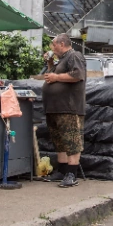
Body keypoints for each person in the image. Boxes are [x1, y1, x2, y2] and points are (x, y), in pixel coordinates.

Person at [36, 35, 88, 188]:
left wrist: (56, 77)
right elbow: (54, 75)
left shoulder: (75, 56)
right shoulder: (62, 60)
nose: (52, 48)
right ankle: (63, 170)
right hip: (55, 107)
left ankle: (72, 174)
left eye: (53, 45)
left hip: (69, 107)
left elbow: (78, 75)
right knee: (59, 140)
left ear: (62, 44)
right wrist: (50, 63)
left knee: (72, 140)